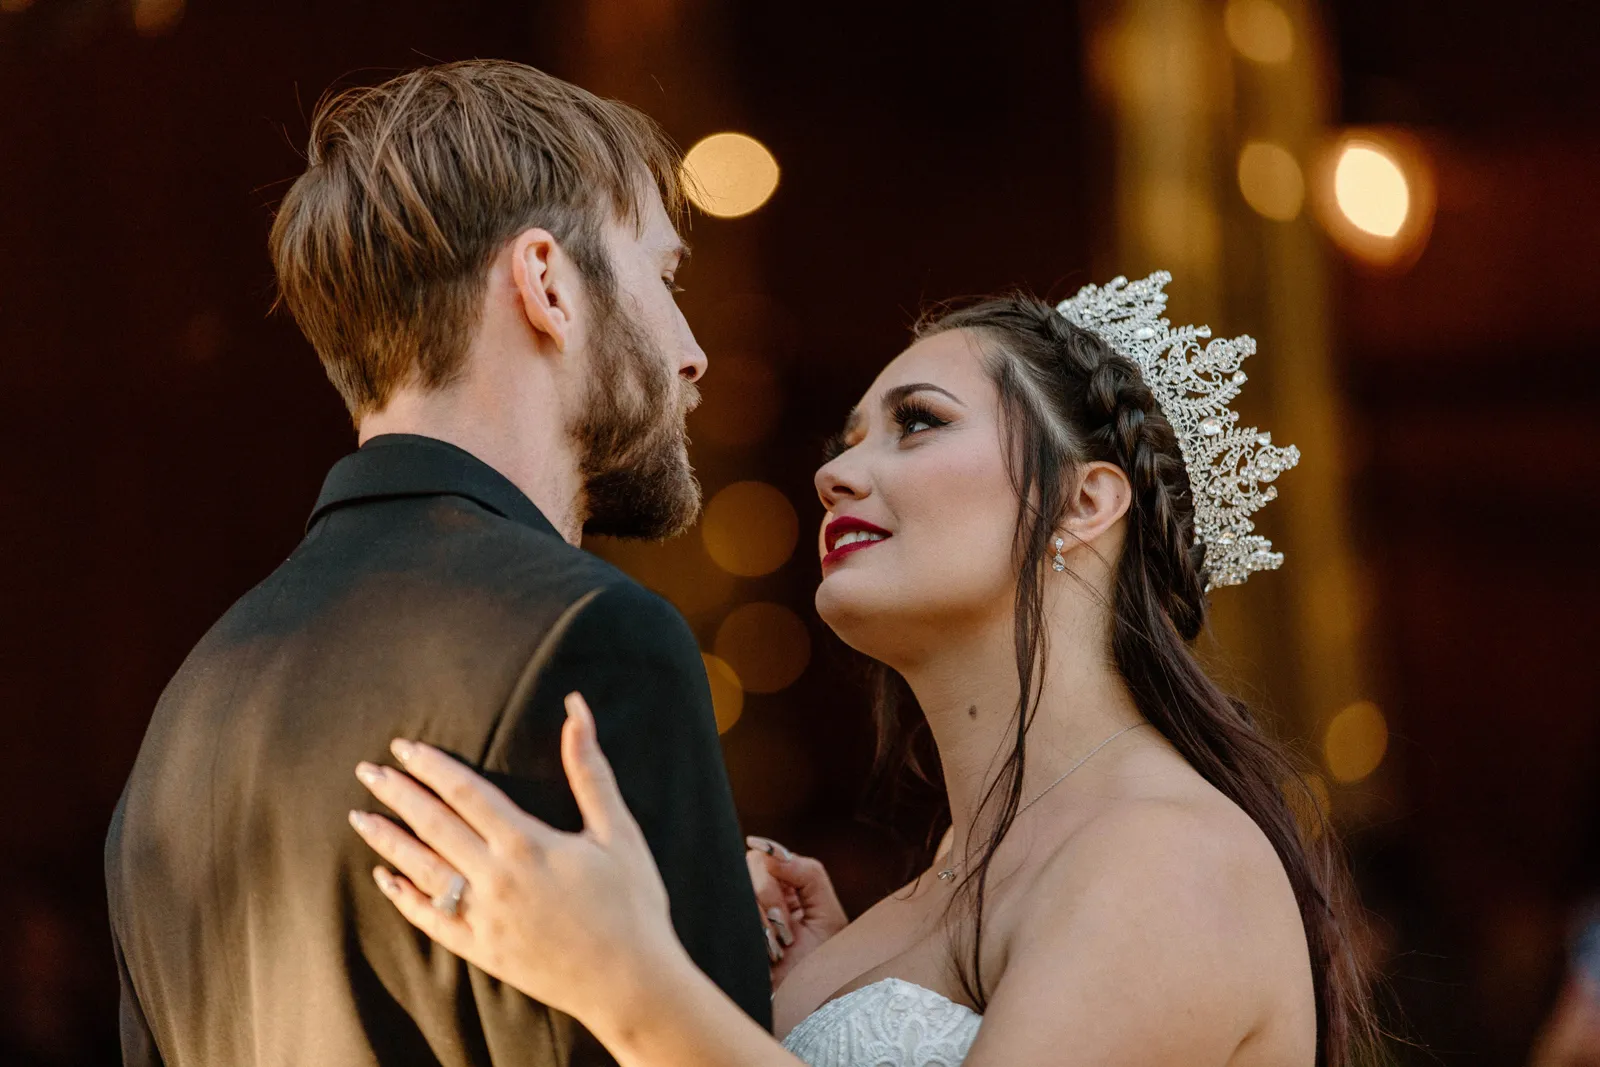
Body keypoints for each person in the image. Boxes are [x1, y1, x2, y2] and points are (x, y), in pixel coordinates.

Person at [348, 275, 1384, 1067]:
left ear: (1084, 504)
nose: (833, 472)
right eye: (846, 439)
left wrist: (624, 976)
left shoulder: (1169, 851)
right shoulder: (899, 907)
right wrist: (822, 980)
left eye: (917, 422)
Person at [103, 60, 771, 1067]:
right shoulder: (593, 641)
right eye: (664, 276)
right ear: (546, 283)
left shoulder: (188, 708)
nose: (692, 351)